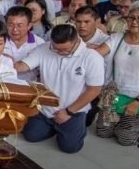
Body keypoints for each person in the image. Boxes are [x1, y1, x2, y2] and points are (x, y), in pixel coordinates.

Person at [14, 24, 103, 153]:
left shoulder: (92, 57)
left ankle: (75, 128)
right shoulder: (45, 48)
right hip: (45, 108)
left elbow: (94, 90)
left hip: (73, 110)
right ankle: (54, 127)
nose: (60, 52)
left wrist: (69, 112)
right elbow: (24, 66)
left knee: (70, 148)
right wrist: (8, 64)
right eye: (56, 49)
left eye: (64, 50)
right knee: (31, 136)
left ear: (76, 41)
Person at [94, 0, 139, 146]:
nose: (134, 22)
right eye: (131, 17)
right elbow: (97, 54)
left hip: (137, 97)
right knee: (103, 133)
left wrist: (138, 102)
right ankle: (127, 123)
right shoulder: (116, 38)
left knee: (126, 140)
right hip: (112, 95)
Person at [3, 6, 44, 82]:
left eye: (19, 25)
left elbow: (42, 72)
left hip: (29, 85)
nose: (15, 29)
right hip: (4, 83)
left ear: (29, 25)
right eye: (11, 25)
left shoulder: (39, 43)